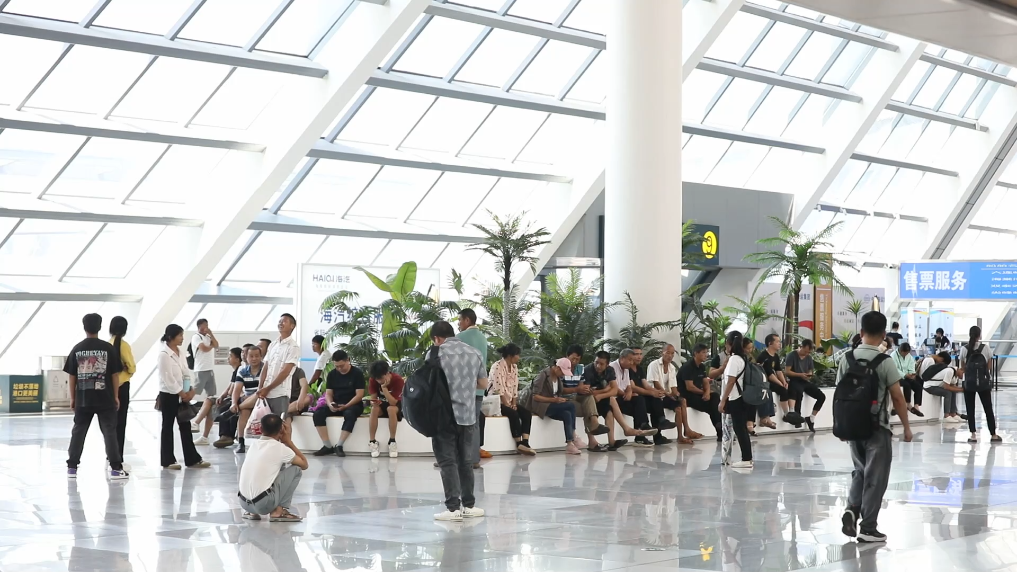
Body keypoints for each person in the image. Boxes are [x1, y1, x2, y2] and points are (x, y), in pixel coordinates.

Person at [840, 311, 912, 544]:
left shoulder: (846, 359)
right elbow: (898, 397)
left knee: (860, 470)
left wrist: (841, 423)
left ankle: (852, 508)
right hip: (877, 428)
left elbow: (841, 394)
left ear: (861, 332)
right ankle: (868, 528)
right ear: (883, 335)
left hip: (852, 425)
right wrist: (906, 427)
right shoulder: (885, 362)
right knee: (875, 476)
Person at [430, 320, 487, 521]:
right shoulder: (475, 353)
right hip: (468, 415)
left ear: (437, 338)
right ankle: (469, 505)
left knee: (447, 461)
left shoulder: (436, 353)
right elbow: (483, 383)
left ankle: (453, 508)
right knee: (465, 460)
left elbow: (429, 383)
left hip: (443, 416)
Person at [64, 313, 127, 480]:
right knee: (109, 432)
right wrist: (116, 396)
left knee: (78, 431)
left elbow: (72, 375)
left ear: (84, 327)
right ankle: (115, 468)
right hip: (105, 398)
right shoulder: (108, 348)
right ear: (100, 327)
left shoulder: (77, 348)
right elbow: (114, 375)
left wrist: (73, 398)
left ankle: (72, 467)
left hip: (83, 398)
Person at [157, 324, 210, 470]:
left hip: (183, 394)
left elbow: (186, 373)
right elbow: (168, 379)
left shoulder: (180, 352)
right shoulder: (164, 354)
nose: (182, 338)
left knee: (185, 426)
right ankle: (168, 460)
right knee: (167, 427)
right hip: (169, 395)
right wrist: (181, 393)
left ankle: (192, 459)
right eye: (180, 335)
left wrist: (190, 390)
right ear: (170, 337)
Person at [238, 414, 308, 522]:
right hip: (262, 504)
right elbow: (304, 464)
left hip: (244, 503)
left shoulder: (253, 445)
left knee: (271, 468)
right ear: (281, 430)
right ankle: (278, 512)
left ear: (261, 429)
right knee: (296, 470)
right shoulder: (280, 448)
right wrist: (288, 441)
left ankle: (252, 512)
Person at [583, 351, 657, 450]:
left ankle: (612, 442)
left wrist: (602, 394)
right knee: (610, 400)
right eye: (596, 362)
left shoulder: (610, 370)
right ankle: (626, 429)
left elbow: (613, 389)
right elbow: (588, 392)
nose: (598, 366)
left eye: (601, 364)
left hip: (601, 399)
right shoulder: (588, 370)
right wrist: (605, 390)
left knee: (610, 411)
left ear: (607, 364)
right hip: (587, 400)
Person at [312, 350, 365, 457]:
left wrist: (346, 406)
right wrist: (330, 404)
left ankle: (339, 445)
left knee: (350, 414)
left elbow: (359, 395)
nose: (339, 369)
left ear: (348, 360)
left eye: (342, 366)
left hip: (353, 404)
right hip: (336, 403)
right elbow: (328, 394)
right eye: (337, 366)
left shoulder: (357, 374)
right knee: (318, 413)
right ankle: (327, 446)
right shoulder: (332, 374)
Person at [558, 346, 610, 450]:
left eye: (577, 359)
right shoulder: (561, 368)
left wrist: (585, 389)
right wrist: (577, 389)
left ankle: (594, 423)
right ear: (567, 356)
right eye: (572, 358)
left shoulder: (580, 368)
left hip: (577, 396)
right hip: (565, 399)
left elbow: (581, 386)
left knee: (589, 397)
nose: (574, 361)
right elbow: (560, 390)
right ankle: (593, 439)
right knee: (588, 409)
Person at [649, 343, 702, 444]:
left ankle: (682, 434)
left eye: (672, 353)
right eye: (668, 353)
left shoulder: (672, 367)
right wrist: (668, 394)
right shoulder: (654, 365)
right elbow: (656, 383)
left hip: (666, 395)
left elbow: (673, 386)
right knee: (677, 402)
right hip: (656, 395)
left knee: (681, 403)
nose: (670, 356)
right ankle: (686, 431)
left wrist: (676, 395)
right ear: (662, 353)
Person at [456, 309, 490, 461]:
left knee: (460, 424)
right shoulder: (483, 338)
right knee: (475, 424)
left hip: (463, 389)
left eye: (460, 320)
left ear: (467, 320)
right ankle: (474, 459)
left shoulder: (460, 338)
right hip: (479, 388)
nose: (458, 324)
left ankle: (458, 458)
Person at [489, 344, 534, 455]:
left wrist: (514, 403)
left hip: (509, 400)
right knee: (513, 414)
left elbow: (515, 387)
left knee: (526, 413)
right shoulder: (497, 366)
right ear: (510, 356)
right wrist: (507, 404)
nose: (519, 357)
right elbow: (498, 388)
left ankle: (525, 442)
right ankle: (518, 443)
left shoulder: (514, 368)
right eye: (517, 355)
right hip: (498, 401)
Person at [530, 359, 583, 455]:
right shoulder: (543, 375)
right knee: (571, 406)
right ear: (557, 368)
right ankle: (574, 435)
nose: (563, 375)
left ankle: (570, 443)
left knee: (567, 414)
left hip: (552, 404)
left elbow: (559, 392)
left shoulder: (558, 378)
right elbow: (535, 396)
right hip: (541, 406)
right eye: (562, 372)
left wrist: (559, 399)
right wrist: (554, 400)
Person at [627, 346, 678, 445]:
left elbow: (646, 385)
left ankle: (660, 428)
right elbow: (633, 387)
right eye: (636, 354)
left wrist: (656, 392)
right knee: (641, 400)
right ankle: (641, 435)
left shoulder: (639, 369)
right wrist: (651, 392)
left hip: (640, 396)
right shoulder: (627, 369)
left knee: (656, 398)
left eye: (640, 354)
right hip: (631, 398)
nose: (639, 357)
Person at [719, 330, 754, 469]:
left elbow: (731, 381)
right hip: (742, 397)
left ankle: (746, 459)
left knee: (739, 429)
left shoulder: (734, 360)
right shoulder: (742, 358)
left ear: (729, 343)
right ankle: (747, 458)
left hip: (735, 398)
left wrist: (723, 400)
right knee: (741, 428)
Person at [959, 326, 1000, 443]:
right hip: (983, 383)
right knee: (988, 408)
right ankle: (993, 434)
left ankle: (973, 435)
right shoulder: (985, 348)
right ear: (979, 335)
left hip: (969, 383)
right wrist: (983, 375)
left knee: (970, 408)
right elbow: (989, 365)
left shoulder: (964, 349)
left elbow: (963, 367)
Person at [677, 343, 722, 441]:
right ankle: (720, 430)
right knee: (712, 408)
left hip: (698, 394)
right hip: (687, 396)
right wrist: (704, 393)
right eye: (703, 352)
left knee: (715, 396)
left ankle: (719, 428)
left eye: (706, 352)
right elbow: (690, 387)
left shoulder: (701, 366)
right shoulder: (688, 367)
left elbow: (705, 381)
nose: (706, 355)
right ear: (696, 353)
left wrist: (707, 392)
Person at [610, 349, 655, 447]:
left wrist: (629, 392)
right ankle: (640, 435)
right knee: (638, 409)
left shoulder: (626, 369)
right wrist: (625, 394)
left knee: (639, 400)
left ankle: (643, 426)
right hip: (614, 399)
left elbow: (628, 385)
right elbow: (614, 387)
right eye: (630, 360)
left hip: (624, 397)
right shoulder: (612, 367)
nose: (631, 362)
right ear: (622, 358)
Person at [259, 314, 301, 418]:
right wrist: (260, 387)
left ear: (292, 326)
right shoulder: (273, 344)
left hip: (280, 393)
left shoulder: (293, 346)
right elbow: (265, 367)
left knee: (278, 423)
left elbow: (285, 372)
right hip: (265, 392)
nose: (280, 323)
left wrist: (268, 388)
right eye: (279, 321)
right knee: (264, 423)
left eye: (284, 321)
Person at [108, 316, 136, 462]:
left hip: (108, 388)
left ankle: (110, 454)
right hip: (122, 386)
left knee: (109, 423)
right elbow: (132, 367)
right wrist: (126, 369)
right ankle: (118, 456)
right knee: (121, 422)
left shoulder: (107, 344)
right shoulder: (124, 346)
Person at [784, 339, 826, 433]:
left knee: (821, 396)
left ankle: (811, 418)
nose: (806, 354)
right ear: (801, 347)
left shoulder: (809, 358)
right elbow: (787, 371)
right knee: (798, 392)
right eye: (805, 351)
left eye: (809, 352)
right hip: (794, 379)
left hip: (804, 380)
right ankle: (796, 416)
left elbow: (810, 370)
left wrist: (808, 375)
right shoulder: (792, 355)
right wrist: (800, 375)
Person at [188, 319, 220, 446]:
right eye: (203, 326)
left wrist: (211, 335)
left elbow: (216, 345)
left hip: (209, 369)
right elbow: (204, 348)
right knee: (195, 391)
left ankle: (204, 435)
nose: (205, 328)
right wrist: (211, 346)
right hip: (200, 369)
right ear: (199, 326)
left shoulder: (208, 336)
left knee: (212, 398)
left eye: (207, 326)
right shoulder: (196, 337)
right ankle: (183, 404)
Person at [757, 334, 798, 428]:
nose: (780, 344)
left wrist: (784, 382)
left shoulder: (775, 356)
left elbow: (778, 370)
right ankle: (786, 414)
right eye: (777, 342)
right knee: (782, 390)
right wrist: (780, 384)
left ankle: (792, 411)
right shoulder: (763, 356)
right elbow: (769, 374)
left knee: (792, 388)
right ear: (770, 343)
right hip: (764, 382)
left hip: (773, 380)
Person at [367, 360, 403, 458]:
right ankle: (372, 441)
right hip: (382, 405)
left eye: (381, 378)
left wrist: (384, 388)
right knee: (374, 409)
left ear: (387, 373)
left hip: (396, 406)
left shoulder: (397, 380)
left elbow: (393, 402)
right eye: (377, 379)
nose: (379, 381)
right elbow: (373, 397)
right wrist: (373, 402)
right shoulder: (373, 380)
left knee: (391, 409)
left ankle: (392, 441)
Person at [234, 345, 267, 453]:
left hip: (263, 399)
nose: (254, 359)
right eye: (251, 356)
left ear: (261, 357)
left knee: (257, 395)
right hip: (248, 401)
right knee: (244, 412)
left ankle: (234, 410)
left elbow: (264, 389)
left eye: (257, 356)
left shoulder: (266, 369)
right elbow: (237, 389)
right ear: (246, 357)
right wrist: (233, 403)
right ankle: (241, 442)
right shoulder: (242, 371)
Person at [920, 351, 965, 423]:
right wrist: (962, 390)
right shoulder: (950, 371)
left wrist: (962, 389)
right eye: (963, 374)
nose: (963, 377)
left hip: (936, 386)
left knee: (953, 391)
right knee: (947, 393)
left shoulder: (955, 375)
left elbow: (953, 387)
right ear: (961, 369)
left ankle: (953, 413)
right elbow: (946, 387)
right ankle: (946, 415)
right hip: (929, 386)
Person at [214, 347, 245, 448]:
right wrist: (222, 396)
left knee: (227, 409)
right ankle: (224, 435)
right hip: (235, 397)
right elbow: (230, 387)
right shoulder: (236, 371)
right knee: (218, 406)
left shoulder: (241, 369)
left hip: (243, 398)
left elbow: (233, 389)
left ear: (237, 359)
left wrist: (229, 396)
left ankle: (227, 436)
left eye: (230, 356)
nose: (228, 358)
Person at [891, 343, 924, 418]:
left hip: (907, 376)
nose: (906, 355)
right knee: (907, 385)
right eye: (905, 353)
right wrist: (905, 375)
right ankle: (908, 404)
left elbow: (911, 366)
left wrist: (912, 374)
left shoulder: (909, 356)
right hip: (897, 376)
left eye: (907, 353)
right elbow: (895, 369)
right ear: (900, 351)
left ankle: (916, 405)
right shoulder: (893, 356)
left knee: (918, 386)